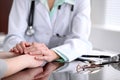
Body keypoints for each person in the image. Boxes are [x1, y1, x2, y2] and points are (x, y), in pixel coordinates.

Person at [3, 0, 92, 62]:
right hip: (27, 60)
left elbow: (81, 41)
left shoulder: (81, 1)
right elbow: (13, 36)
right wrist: (21, 47)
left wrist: (54, 53)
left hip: (61, 64)